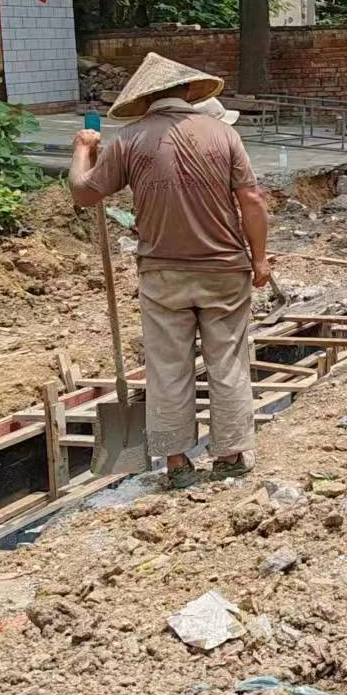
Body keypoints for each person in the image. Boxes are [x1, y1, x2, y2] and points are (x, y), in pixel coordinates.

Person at [68, 53, 274, 489]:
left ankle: (178, 463)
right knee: (227, 362)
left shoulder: (128, 139)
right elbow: (251, 200)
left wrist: (83, 151)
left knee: (168, 366)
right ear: (186, 92)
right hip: (224, 270)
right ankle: (231, 455)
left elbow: (85, 193)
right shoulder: (223, 134)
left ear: (146, 98)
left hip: (162, 273)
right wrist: (259, 259)